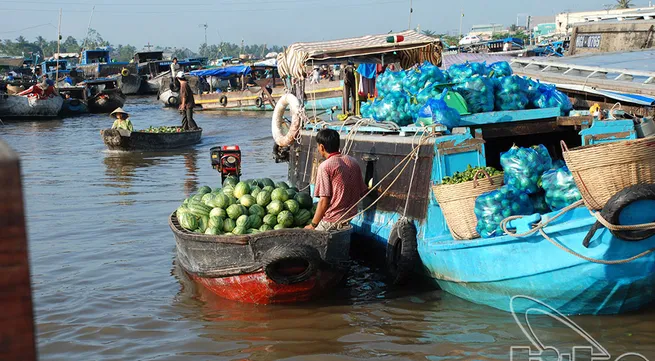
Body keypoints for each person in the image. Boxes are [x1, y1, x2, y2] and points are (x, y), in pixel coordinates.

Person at [305, 129, 367, 231]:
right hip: (349, 218)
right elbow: (362, 191)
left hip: (332, 221)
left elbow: (324, 201)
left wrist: (313, 225)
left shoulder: (325, 166)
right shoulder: (353, 161)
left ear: (321, 147)